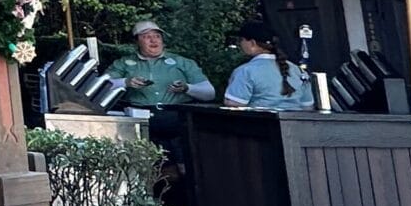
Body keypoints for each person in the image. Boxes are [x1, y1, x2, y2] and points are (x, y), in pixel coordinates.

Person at [106, 19, 215, 183]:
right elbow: (102, 86)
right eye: (146, 36)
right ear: (137, 41)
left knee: (187, 165)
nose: (153, 40)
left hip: (176, 118)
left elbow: (209, 93)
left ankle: (189, 201)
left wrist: (188, 88)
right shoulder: (123, 64)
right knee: (151, 167)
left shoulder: (182, 62)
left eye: (157, 36)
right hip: (141, 120)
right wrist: (125, 82)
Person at [224, 23, 312, 112]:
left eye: (241, 40)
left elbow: (234, 106)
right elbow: (308, 106)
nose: (240, 44)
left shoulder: (245, 71)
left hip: (261, 123)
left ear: (252, 43)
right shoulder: (299, 71)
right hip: (296, 124)